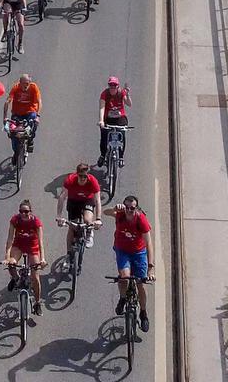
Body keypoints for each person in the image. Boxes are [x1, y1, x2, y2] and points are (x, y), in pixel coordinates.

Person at [111, 195, 153, 331]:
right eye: (127, 207)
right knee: (124, 278)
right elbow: (106, 213)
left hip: (138, 253)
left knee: (141, 283)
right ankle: (123, 298)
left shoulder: (141, 219)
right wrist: (114, 208)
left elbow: (149, 243)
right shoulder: (120, 214)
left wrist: (150, 268)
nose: (129, 210)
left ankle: (143, 313)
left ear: (136, 208)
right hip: (122, 250)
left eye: (132, 208)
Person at [4, 200, 46, 315]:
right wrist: (7, 257)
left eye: (26, 211)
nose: (23, 214)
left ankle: (37, 303)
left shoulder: (36, 222)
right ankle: (16, 279)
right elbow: (10, 239)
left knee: (35, 276)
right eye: (21, 211)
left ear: (30, 212)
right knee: (11, 264)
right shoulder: (15, 220)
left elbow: (41, 242)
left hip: (33, 247)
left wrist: (42, 259)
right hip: (19, 246)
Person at [55, 164, 104, 256]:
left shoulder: (93, 181)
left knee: (88, 220)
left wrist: (98, 219)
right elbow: (62, 197)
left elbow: (97, 200)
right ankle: (69, 254)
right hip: (73, 201)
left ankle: (89, 233)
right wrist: (59, 216)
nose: (82, 178)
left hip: (87, 200)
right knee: (72, 227)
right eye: (80, 176)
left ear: (88, 175)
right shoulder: (70, 180)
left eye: (85, 176)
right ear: (77, 174)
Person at [97, 76, 131, 167]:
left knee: (121, 136)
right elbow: (102, 107)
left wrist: (127, 94)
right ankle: (103, 155)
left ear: (118, 86)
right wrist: (101, 121)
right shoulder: (104, 94)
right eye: (110, 85)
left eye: (114, 85)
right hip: (108, 118)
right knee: (104, 136)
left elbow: (129, 104)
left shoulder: (121, 93)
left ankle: (121, 157)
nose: (112, 88)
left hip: (120, 118)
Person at [6, 73, 42, 151]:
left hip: (30, 112)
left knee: (33, 122)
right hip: (17, 113)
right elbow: (7, 102)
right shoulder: (15, 88)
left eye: (27, 83)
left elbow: (39, 102)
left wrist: (38, 117)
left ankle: (30, 139)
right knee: (13, 133)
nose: (26, 85)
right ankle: (16, 151)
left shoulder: (34, 87)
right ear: (20, 82)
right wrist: (5, 117)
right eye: (24, 83)